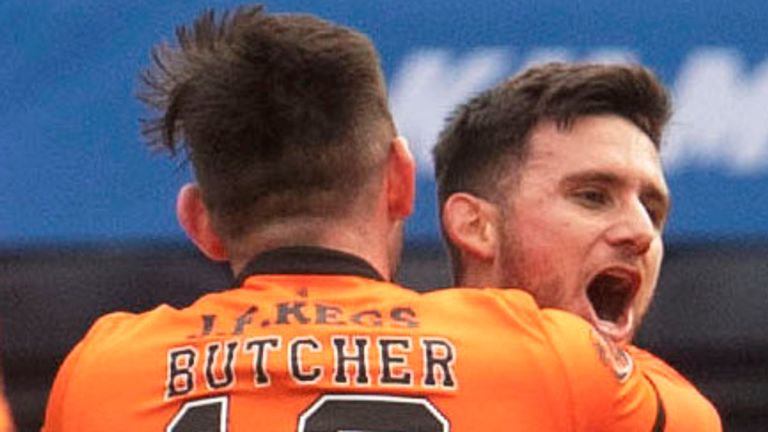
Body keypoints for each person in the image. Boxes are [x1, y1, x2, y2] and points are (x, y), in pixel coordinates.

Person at [44, 5, 671, 430]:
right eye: (592, 196)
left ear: (200, 223)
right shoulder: (541, 352)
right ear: (401, 180)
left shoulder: (99, 372)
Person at [433, 62, 722, 430]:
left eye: (651, 210)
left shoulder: (677, 412)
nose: (642, 232)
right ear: (476, 226)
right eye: (592, 197)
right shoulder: (366, 362)